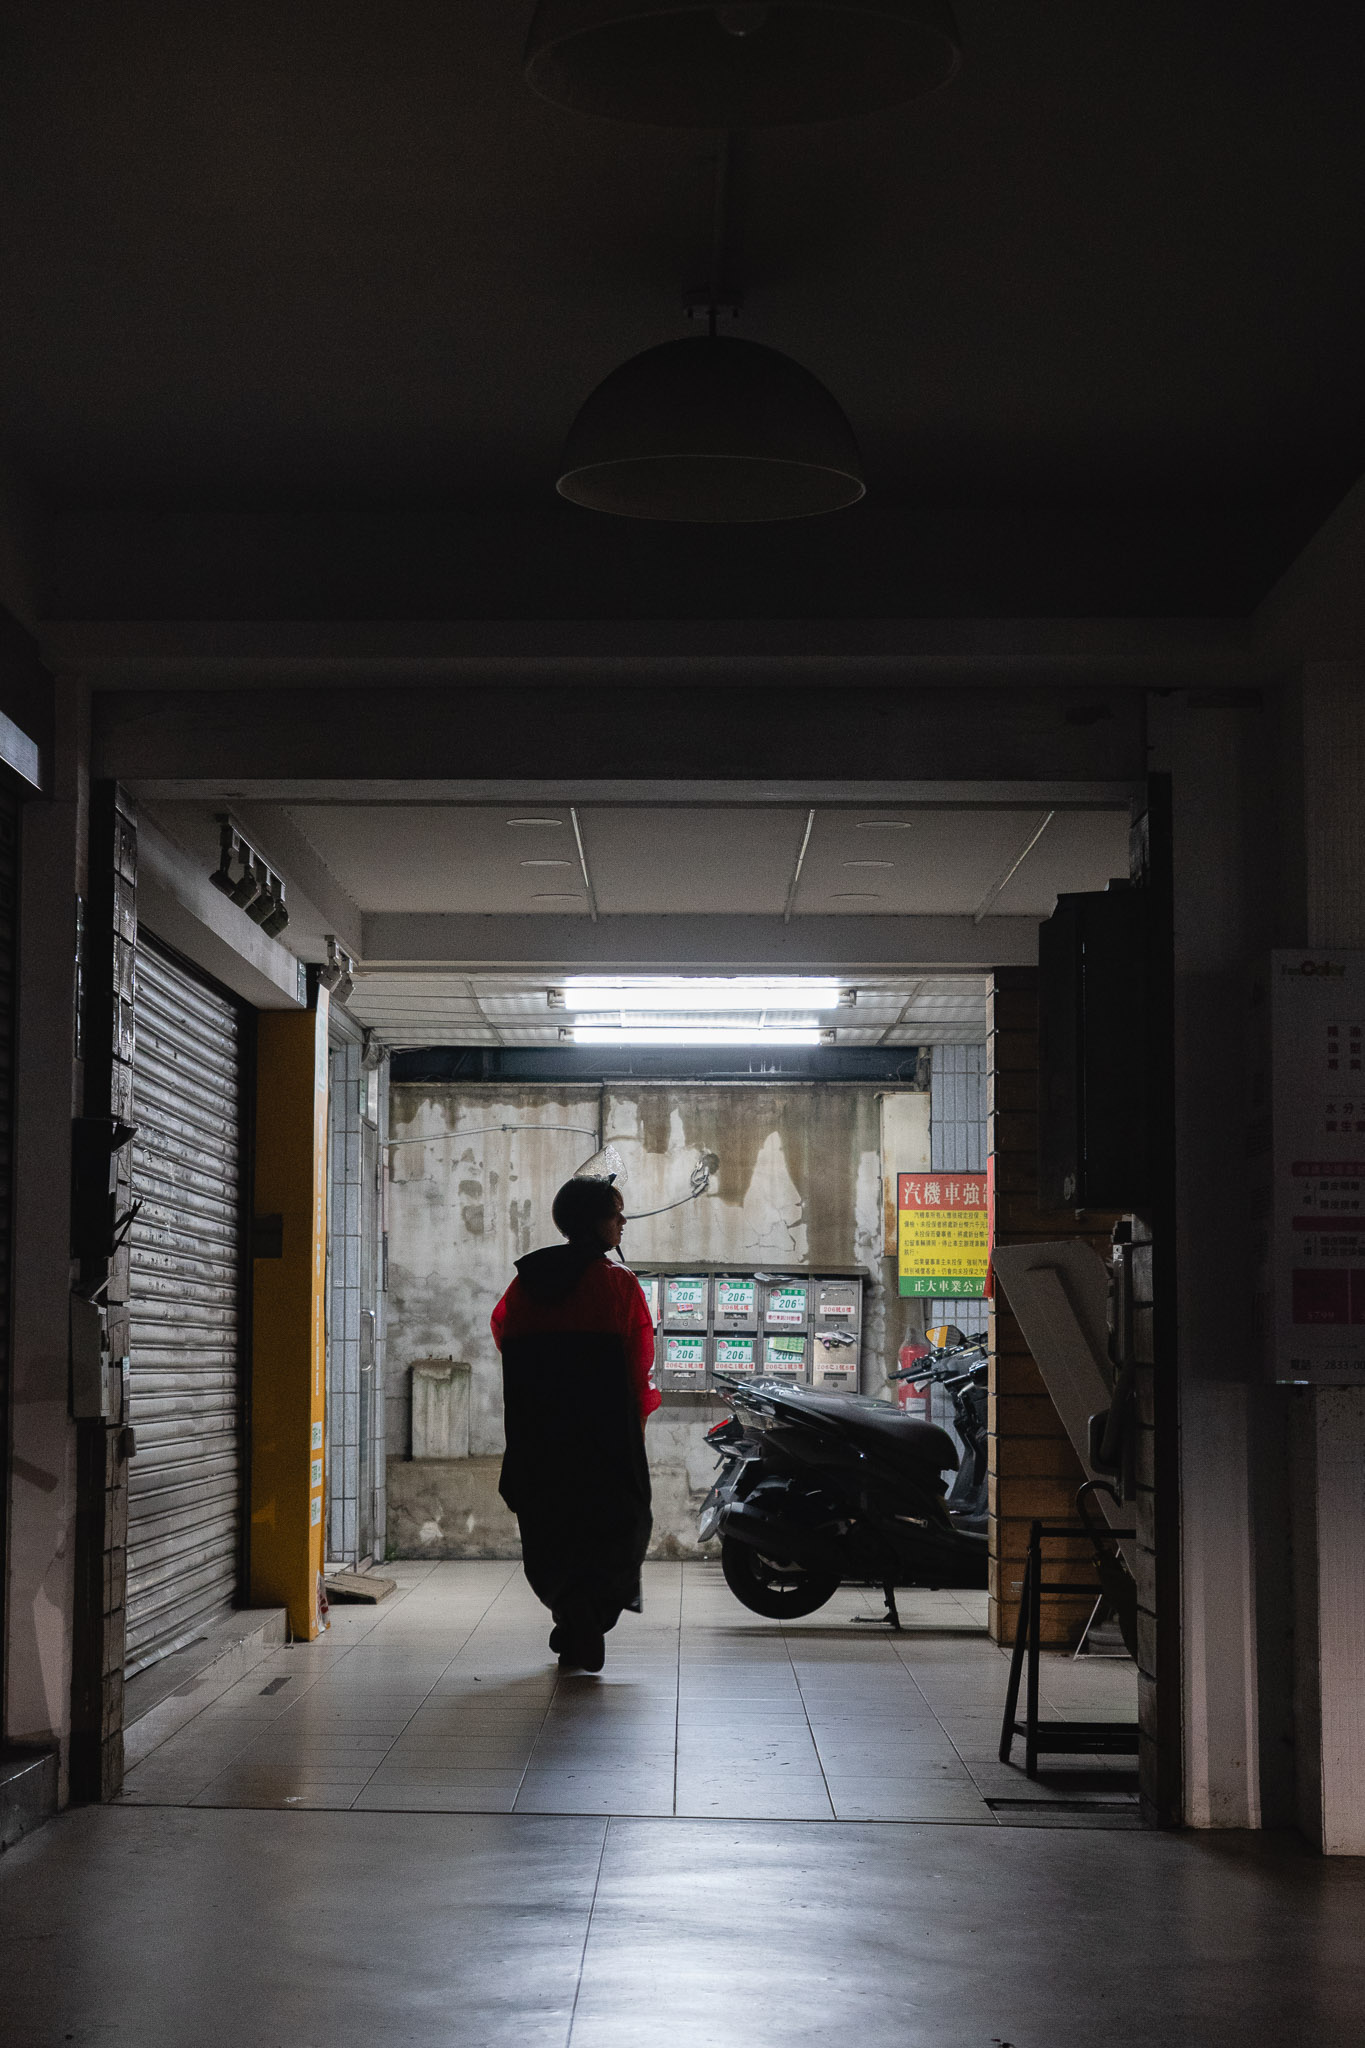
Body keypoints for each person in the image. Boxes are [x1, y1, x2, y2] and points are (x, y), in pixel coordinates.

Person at [490, 1175, 659, 1672]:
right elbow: (639, 1362)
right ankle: (585, 1621)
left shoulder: (525, 1282)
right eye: (614, 1213)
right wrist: (636, 1420)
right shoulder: (617, 1284)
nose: (623, 1221)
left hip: (538, 1438)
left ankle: (571, 1619)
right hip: (605, 1438)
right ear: (591, 1221)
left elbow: (503, 1332)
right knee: (614, 1527)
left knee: (551, 1528)